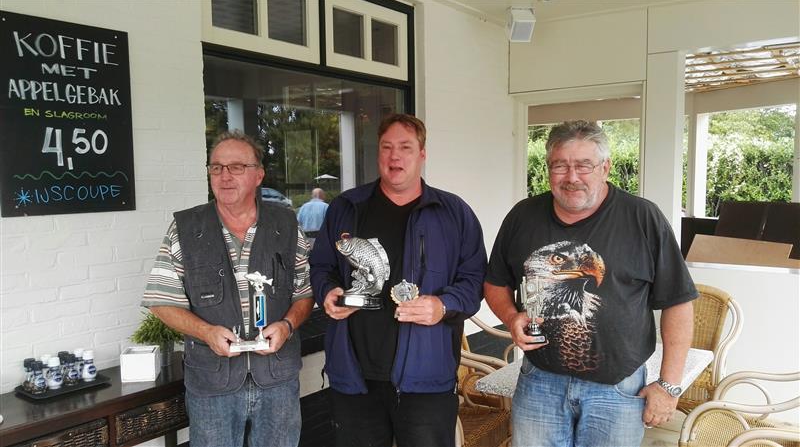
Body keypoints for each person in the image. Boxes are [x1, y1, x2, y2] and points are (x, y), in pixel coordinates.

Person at [484, 120, 696, 447]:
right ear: (548, 168)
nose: (572, 177)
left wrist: (668, 385)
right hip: (539, 383)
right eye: (560, 166)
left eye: (584, 165)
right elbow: (495, 283)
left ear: (605, 168)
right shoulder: (522, 216)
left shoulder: (642, 218)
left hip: (618, 389)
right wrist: (511, 317)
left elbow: (678, 302)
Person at [310, 114, 486, 447]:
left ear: (422, 154)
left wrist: (443, 305)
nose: (395, 157)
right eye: (386, 147)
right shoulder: (346, 207)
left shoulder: (453, 213)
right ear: (378, 153)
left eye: (405, 147)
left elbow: (475, 279)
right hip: (355, 375)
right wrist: (328, 292)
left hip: (427, 378)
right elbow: (321, 266)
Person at [141, 131, 313, 447]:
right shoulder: (186, 228)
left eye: (236, 167)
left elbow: (304, 294)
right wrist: (206, 332)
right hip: (212, 382)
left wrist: (287, 326)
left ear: (259, 175)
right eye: (216, 167)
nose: (224, 176)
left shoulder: (287, 225)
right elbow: (160, 301)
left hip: (277, 380)